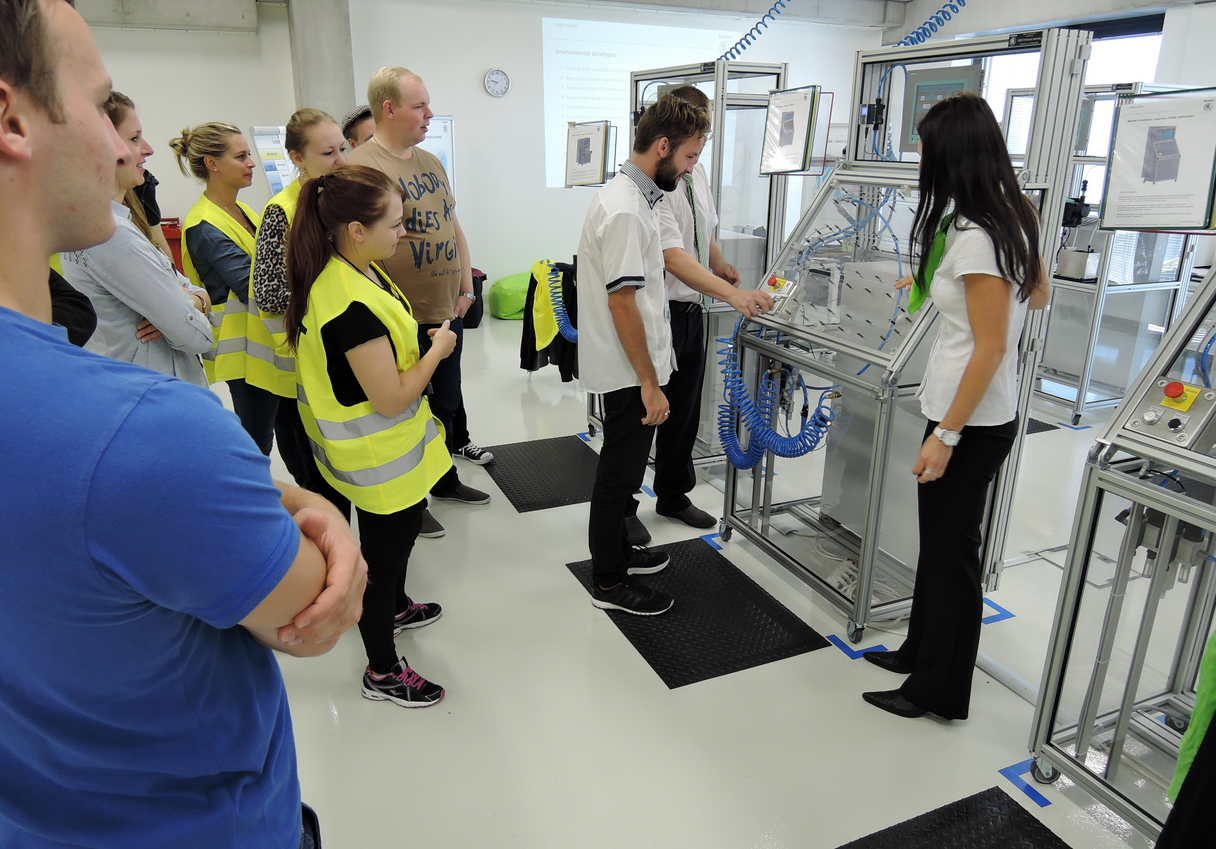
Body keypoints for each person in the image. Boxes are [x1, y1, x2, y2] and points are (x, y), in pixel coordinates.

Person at [0, 2, 367, 846]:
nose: (123, 147)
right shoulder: (145, 437)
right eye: (103, 108)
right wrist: (303, 507)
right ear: (13, 121)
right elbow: (307, 610)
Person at [861, 92, 1049, 720]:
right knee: (940, 547)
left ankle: (938, 691)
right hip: (964, 411)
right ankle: (919, 651)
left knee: (953, 555)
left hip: (968, 422)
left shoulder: (978, 236)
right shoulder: (1010, 213)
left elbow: (991, 347)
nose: (921, 161)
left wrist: (945, 435)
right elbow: (1039, 295)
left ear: (953, 155)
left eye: (927, 150)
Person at [285, 164, 451, 708]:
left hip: (379, 454)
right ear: (357, 230)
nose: (403, 232)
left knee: (395, 553)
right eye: (395, 224)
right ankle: (382, 670)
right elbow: (391, 398)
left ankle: (397, 607)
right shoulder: (346, 303)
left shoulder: (355, 271)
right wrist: (436, 353)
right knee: (379, 566)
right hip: (378, 461)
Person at [575, 94, 712, 616]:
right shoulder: (627, 210)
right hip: (629, 370)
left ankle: (618, 554)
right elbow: (622, 302)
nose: (691, 168)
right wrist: (650, 383)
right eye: (690, 157)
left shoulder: (635, 197)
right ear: (663, 146)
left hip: (635, 365)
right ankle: (609, 583)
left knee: (625, 471)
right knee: (619, 476)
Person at [622, 84, 772, 543]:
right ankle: (623, 505)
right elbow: (672, 255)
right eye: (694, 142)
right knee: (645, 412)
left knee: (684, 411)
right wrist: (733, 295)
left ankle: (673, 494)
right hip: (660, 309)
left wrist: (719, 262)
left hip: (693, 307)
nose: (697, 153)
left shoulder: (694, 172)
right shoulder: (659, 180)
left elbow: (702, 231)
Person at [348, 67, 493, 535]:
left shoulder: (430, 162)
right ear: (389, 109)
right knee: (407, 414)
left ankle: (443, 481)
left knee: (445, 403)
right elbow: (353, 249)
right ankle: (412, 500)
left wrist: (466, 288)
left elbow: (453, 226)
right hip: (396, 318)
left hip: (446, 309)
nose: (430, 114)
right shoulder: (361, 167)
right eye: (419, 106)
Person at [61, 90, 213, 386]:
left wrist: (190, 302)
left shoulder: (114, 224)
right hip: (153, 390)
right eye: (134, 139)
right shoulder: (110, 234)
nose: (148, 149)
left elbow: (188, 292)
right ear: (103, 147)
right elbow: (196, 336)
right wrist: (188, 306)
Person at [170, 121, 287, 455]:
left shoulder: (241, 210)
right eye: (241, 157)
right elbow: (253, 283)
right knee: (256, 441)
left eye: (249, 155)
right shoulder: (204, 225)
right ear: (213, 163)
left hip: (265, 340)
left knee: (286, 429)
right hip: (244, 351)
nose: (251, 163)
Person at [251, 107, 348, 491]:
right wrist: (332, 294)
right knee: (316, 471)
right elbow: (268, 293)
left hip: (340, 352)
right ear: (297, 157)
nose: (341, 161)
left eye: (342, 149)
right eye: (328, 153)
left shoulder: (341, 199)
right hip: (299, 359)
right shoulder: (282, 211)